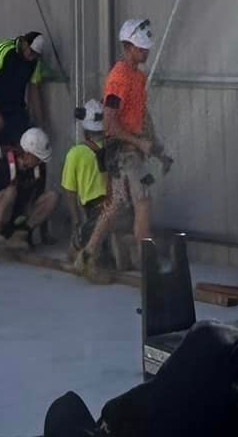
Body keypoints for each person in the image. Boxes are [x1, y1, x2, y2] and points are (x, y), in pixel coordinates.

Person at [79, 17, 161, 283]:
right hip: (121, 150)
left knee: (117, 203)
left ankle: (89, 252)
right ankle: (145, 262)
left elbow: (140, 112)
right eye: (141, 48)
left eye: (146, 47)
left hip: (130, 147)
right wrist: (139, 143)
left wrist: (153, 142)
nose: (146, 52)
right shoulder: (118, 79)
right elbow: (110, 124)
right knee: (143, 201)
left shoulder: (137, 76)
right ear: (127, 47)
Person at [0, 125, 57, 263]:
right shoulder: (2, 167)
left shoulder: (38, 168)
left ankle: (20, 235)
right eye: (38, 157)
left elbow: (37, 198)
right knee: (10, 191)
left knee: (52, 196)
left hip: (18, 218)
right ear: (26, 153)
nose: (41, 161)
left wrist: (44, 235)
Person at [0, 30, 47, 175]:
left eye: (35, 55)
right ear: (24, 44)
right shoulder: (3, 48)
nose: (31, 57)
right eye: (30, 52)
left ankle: (8, 194)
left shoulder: (34, 62)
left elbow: (34, 89)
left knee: (12, 158)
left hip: (14, 110)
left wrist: (40, 122)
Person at [60, 100, 109, 263]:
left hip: (93, 209)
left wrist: (75, 219)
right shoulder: (113, 148)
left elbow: (69, 190)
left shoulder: (75, 153)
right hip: (117, 206)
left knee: (74, 256)